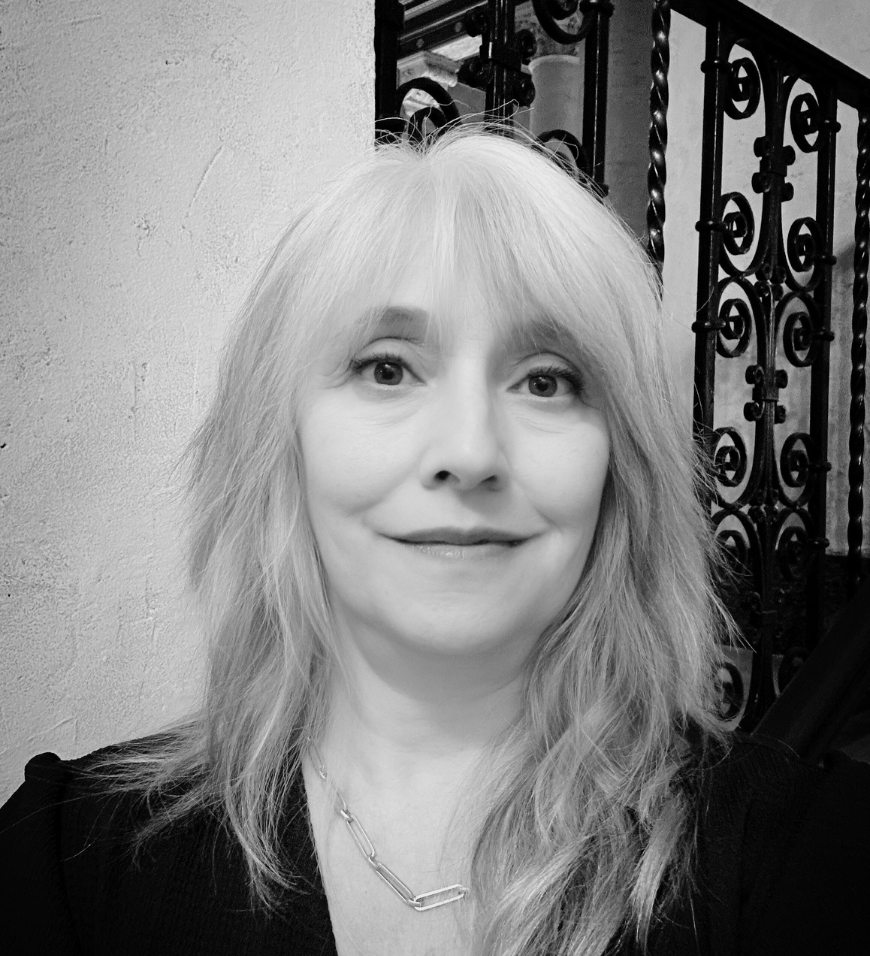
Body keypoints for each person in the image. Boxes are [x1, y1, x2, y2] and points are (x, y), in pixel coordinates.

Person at [1, 125, 868, 956]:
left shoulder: (803, 862)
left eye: (546, 380)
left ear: (619, 468)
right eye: (388, 368)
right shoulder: (67, 863)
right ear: (280, 443)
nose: (468, 453)